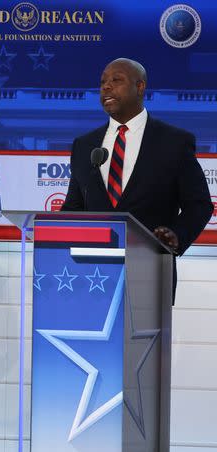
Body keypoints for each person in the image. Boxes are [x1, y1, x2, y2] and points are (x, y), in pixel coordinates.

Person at [62, 58, 213, 290]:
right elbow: (74, 207)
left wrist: (176, 236)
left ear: (140, 87)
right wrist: (50, 230)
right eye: (102, 82)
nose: (106, 87)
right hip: (89, 277)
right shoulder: (85, 146)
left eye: (116, 80)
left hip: (150, 273)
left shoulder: (174, 142)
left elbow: (199, 205)